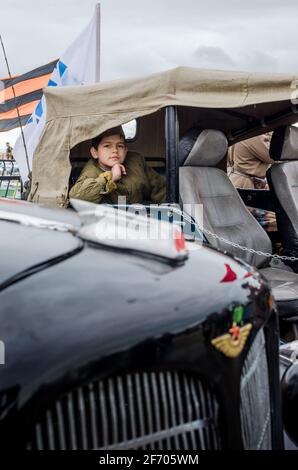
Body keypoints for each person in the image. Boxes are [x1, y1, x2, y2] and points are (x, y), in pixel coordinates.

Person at [69, 126, 166, 204]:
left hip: (137, 217)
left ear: (125, 150)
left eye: (120, 146)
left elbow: (160, 188)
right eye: (107, 146)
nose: (115, 150)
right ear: (95, 152)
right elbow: (77, 198)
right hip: (105, 222)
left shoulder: (136, 161)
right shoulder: (91, 171)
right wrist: (110, 177)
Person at [227, 133, 277, 233]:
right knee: (252, 224)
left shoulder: (242, 132)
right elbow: (273, 155)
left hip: (239, 180)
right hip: (247, 183)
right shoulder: (254, 135)